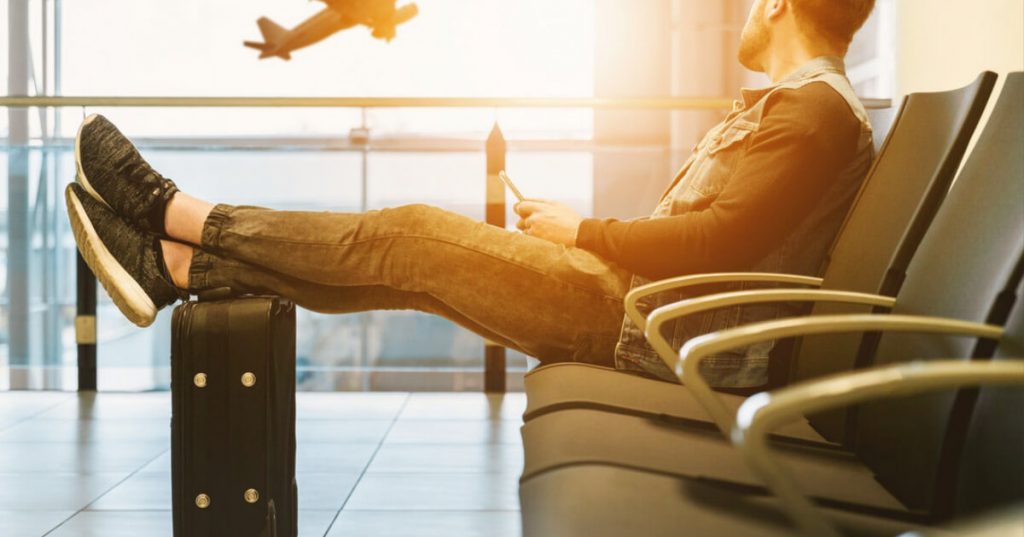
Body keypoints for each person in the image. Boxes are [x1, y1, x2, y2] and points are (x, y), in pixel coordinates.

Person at [66, 0, 876, 388]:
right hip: (641, 311)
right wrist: (582, 234)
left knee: (409, 235)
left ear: (775, 5)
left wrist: (583, 229)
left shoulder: (811, 113)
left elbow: (716, 243)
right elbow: (717, 236)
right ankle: (175, 269)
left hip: (645, 325)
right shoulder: (806, 109)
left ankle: (170, 211)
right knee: (410, 269)